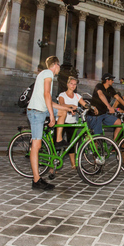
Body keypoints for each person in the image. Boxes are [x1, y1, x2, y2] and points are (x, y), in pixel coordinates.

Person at [27, 56, 75, 190]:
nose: (60, 68)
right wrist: (52, 116)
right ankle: (36, 180)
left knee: (63, 113)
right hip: (36, 112)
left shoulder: (45, 75)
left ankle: (58, 139)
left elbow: (50, 102)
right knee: (36, 145)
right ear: (55, 65)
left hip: (42, 109)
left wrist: (67, 108)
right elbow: (47, 95)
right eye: (59, 65)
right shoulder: (48, 73)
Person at [56, 76, 97, 169]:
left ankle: (73, 164)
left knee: (72, 143)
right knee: (57, 143)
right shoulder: (62, 95)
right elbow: (61, 104)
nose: (73, 86)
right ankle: (53, 165)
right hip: (62, 122)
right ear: (67, 84)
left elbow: (84, 104)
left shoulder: (77, 96)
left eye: (75, 84)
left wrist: (92, 107)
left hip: (72, 122)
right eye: (71, 83)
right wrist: (71, 106)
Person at [86, 73, 124, 139]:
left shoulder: (110, 88)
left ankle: (114, 145)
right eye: (112, 80)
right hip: (95, 115)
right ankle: (93, 147)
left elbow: (118, 98)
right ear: (107, 80)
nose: (113, 81)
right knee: (96, 137)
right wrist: (109, 107)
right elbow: (101, 95)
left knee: (120, 123)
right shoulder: (99, 86)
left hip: (104, 114)